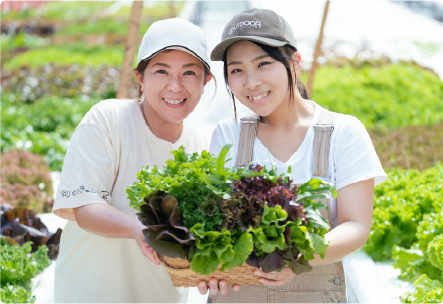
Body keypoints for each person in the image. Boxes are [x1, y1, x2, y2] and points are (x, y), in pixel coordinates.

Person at [198, 8, 387, 303]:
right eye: (236, 70)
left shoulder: (343, 132)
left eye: (263, 64)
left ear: (294, 62)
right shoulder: (227, 134)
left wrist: (299, 255)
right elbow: (213, 222)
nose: (251, 82)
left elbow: (356, 226)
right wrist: (210, 267)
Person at [52, 18, 214, 304]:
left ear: (205, 81)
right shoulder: (108, 120)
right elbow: (85, 207)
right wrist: (139, 231)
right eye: (161, 71)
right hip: (90, 295)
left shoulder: (202, 149)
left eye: (189, 72)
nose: (175, 86)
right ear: (140, 77)